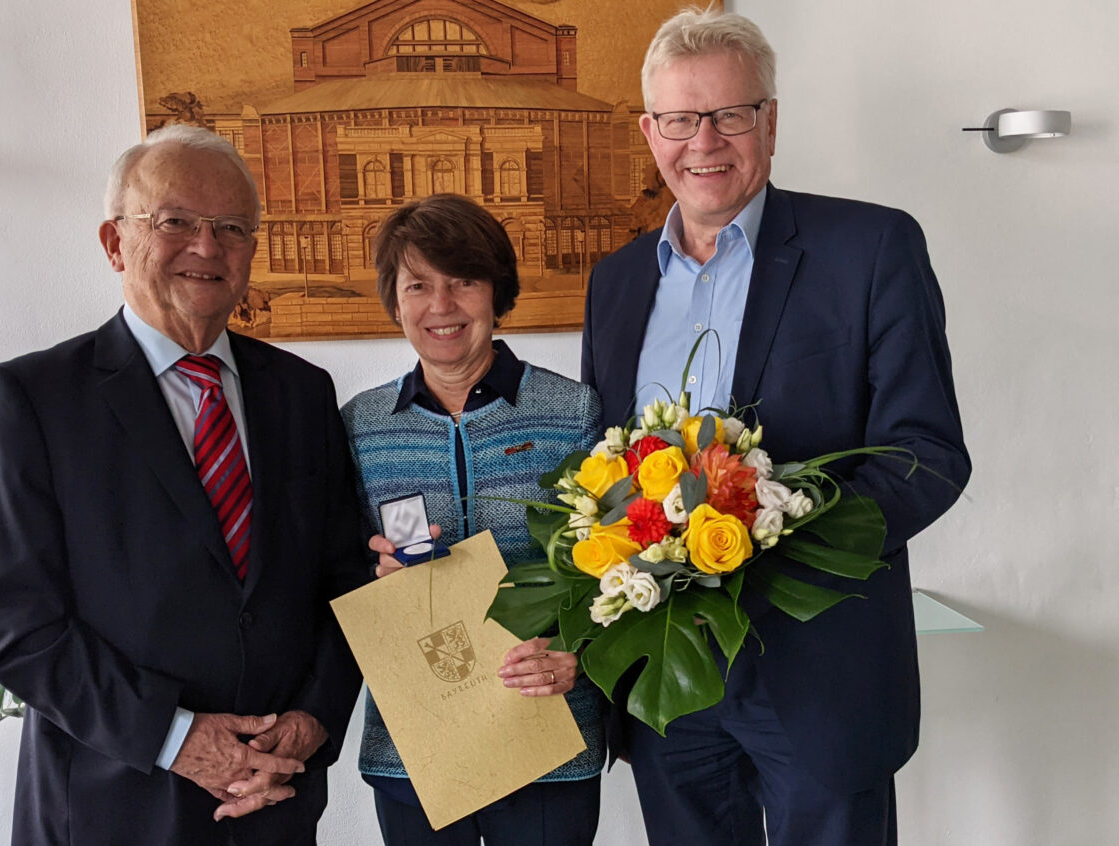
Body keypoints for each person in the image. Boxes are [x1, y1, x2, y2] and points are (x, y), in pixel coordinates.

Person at [581, 8, 970, 846]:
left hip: (820, 671)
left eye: (731, 114)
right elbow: (600, 467)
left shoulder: (871, 248)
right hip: (670, 682)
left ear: (772, 121)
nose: (705, 141)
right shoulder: (614, 285)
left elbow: (928, 454)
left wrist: (775, 528)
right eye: (682, 119)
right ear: (651, 132)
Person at [0, 124, 368, 845]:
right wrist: (176, 738)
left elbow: (344, 581)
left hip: (277, 801)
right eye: (174, 221)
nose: (206, 248)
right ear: (115, 243)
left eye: (232, 228)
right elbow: (11, 619)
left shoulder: (302, 394)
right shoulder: (29, 399)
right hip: (112, 804)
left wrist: (313, 720)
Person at [340, 194, 605, 846]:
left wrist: (581, 654)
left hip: (548, 737)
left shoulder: (573, 413)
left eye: (464, 281)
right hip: (416, 749)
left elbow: (622, 568)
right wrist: (367, 568)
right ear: (394, 301)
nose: (442, 306)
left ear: (497, 293)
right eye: (418, 285)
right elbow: (326, 571)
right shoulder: (358, 427)